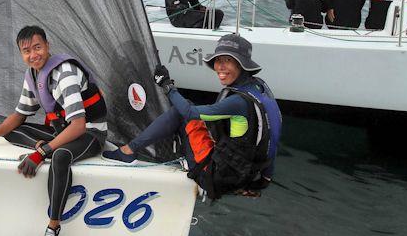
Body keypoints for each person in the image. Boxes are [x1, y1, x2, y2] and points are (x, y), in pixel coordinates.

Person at [0, 25, 107, 236]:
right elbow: (19, 116)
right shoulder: (33, 75)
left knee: (59, 156)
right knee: (10, 132)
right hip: (62, 131)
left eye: (37, 47)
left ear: (47, 46)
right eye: (26, 51)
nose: (33, 54)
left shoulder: (64, 73)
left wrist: (42, 154)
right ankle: (45, 147)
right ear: (21, 54)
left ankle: (52, 230)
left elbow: (79, 125)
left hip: (89, 133)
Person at [103, 34, 282, 200]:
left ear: (242, 65)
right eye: (218, 60)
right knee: (190, 110)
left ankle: (128, 151)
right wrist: (263, 180)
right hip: (244, 175)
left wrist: (167, 86)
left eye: (228, 61)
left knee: (180, 112)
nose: (220, 67)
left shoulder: (237, 102)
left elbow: (189, 113)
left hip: (215, 177)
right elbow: (272, 139)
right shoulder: (261, 91)